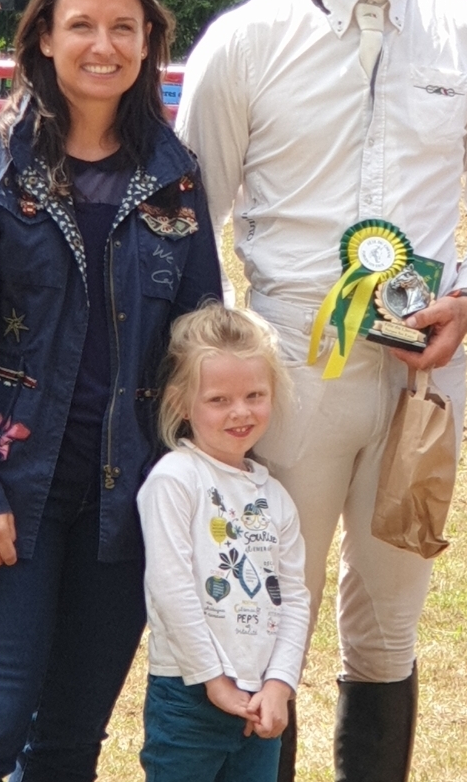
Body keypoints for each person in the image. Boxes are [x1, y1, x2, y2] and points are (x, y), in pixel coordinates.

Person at [177, 0, 467, 781]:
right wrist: (219, 368)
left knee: (389, 621)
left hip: (424, 372)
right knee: (267, 617)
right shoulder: (246, 41)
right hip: (289, 367)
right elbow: (182, 220)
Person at [0, 0, 223, 782]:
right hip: (6, 492)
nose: (102, 44)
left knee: (70, 743)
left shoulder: (175, 177)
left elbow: (197, 339)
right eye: (81, 24)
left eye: (123, 26)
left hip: (124, 503)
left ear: (149, 41)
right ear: (42, 36)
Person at [136, 302, 309, 782]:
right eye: (218, 400)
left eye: (255, 394)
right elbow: (171, 589)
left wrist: (280, 684)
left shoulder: (275, 497)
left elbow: (294, 597)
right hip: (189, 696)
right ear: (180, 404)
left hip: (259, 705)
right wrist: (213, 678)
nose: (240, 412)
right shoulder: (175, 479)